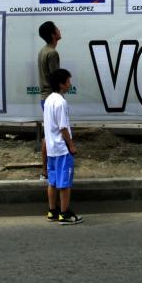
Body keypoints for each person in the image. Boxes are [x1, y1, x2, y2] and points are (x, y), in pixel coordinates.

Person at [43, 68, 82, 225]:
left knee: (52, 182)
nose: (70, 84)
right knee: (64, 183)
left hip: (52, 150)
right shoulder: (61, 102)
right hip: (61, 148)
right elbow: (63, 127)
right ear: (61, 84)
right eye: (68, 81)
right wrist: (71, 146)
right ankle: (64, 214)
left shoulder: (48, 100)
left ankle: (53, 211)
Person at [38, 21, 61, 180]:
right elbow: (56, 79)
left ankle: (47, 170)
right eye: (57, 28)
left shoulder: (43, 51)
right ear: (53, 34)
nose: (60, 30)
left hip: (46, 98)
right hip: (51, 98)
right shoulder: (52, 53)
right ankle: (46, 171)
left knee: (49, 134)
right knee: (50, 135)